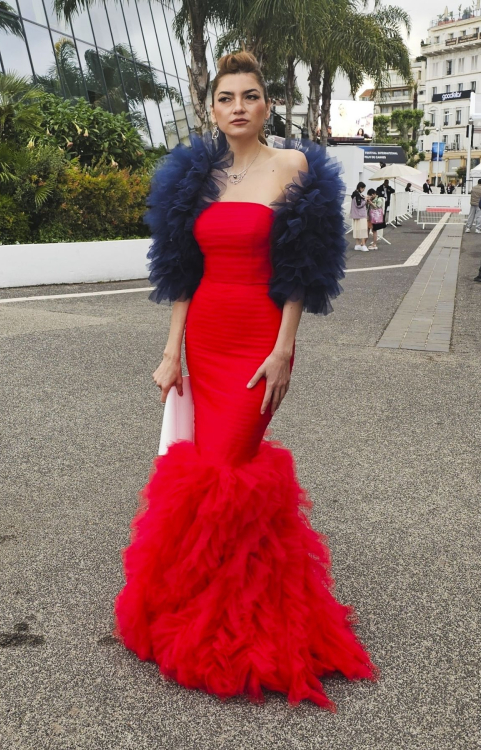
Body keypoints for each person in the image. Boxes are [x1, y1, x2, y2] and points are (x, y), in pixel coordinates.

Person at [113, 51, 378, 709]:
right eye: (226, 96)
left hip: (258, 337)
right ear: (214, 107)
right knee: (207, 471)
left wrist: (286, 346)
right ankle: (203, 608)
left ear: (267, 104)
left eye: (250, 95)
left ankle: (239, 629)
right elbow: (181, 272)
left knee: (232, 469)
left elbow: (305, 267)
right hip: (204, 333)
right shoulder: (194, 177)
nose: (237, 106)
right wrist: (172, 352)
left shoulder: (295, 169)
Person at [350, 181, 370, 251]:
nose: (363, 190)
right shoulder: (357, 195)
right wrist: (365, 200)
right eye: (363, 188)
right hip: (361, 215)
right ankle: (363, 245)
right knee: (363, 230)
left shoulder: (354, 194)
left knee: (357, 230)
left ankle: (357, 244)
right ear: (360, 188)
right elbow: (359, 205)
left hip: (355, 215)